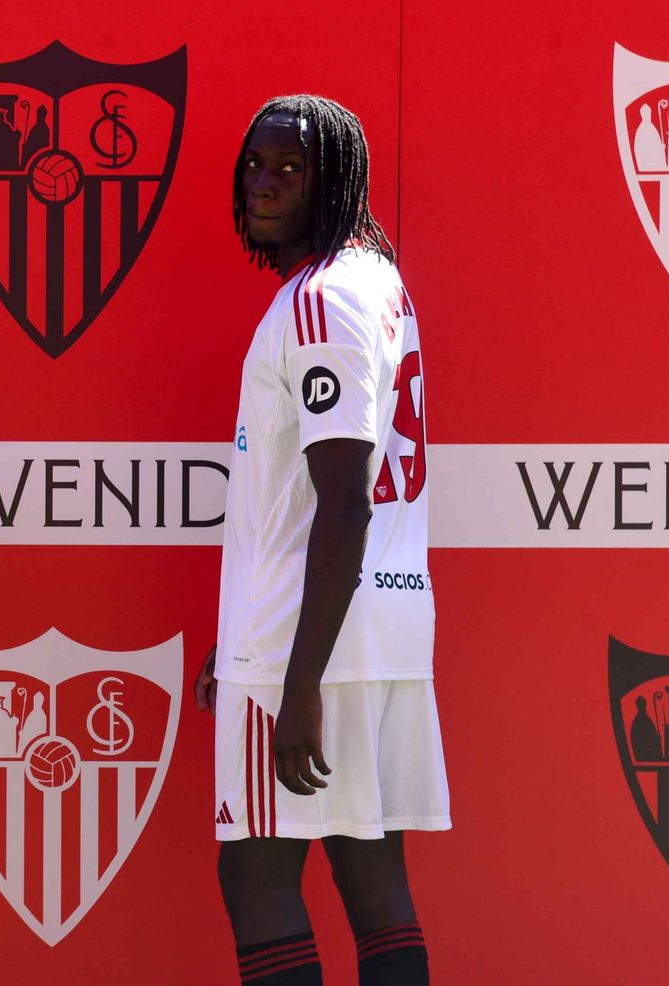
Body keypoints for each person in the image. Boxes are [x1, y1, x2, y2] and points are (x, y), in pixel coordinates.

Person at [193, 95, 449, 986]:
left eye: (290, 168)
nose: (263, 184)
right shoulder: (377, 280)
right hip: (380, 629)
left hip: (310, 643)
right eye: (254, 165)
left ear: (337, 178)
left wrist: (295, 678)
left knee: (256, 875)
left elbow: (345, 503)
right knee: (372, 882)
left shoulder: (320, 301)